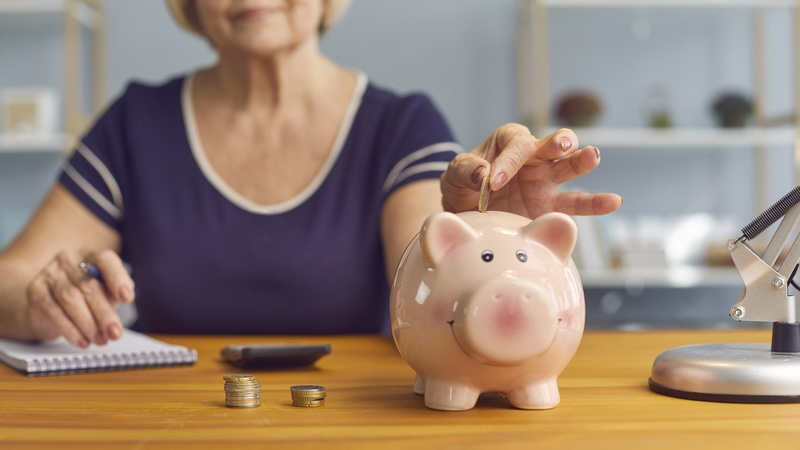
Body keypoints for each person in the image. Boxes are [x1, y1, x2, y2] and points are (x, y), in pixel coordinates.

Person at [0, 0, 622, 348]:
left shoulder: (400, 124)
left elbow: (432, 292)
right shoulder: (135, 123)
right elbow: (12, 277)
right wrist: (39, 299)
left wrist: (490, 231)